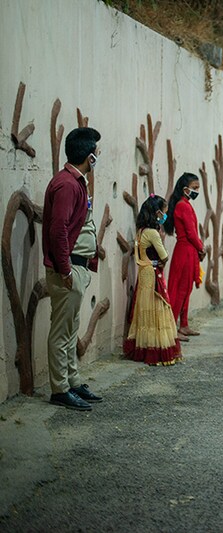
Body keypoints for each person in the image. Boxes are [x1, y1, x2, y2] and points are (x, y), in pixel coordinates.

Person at [42, 127, 104, 411]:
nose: (97, 160)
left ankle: (72, 381)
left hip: (77, 269)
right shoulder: (67, 184)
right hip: (68, 272)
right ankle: (60, 389)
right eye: (97, 155)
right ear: (89, 158)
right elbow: (57, 230)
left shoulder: (77, 182)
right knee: (61, 332)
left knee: (70, 329)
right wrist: (66, 270)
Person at [123, 195, 182, 366]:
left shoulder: (141, 231)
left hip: (143, 273)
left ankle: (144, 348)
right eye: (164, 212)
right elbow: (164, 256)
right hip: (153, 272)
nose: (165, 215)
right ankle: (157, 350)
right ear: (157, 213)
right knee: (158, 309)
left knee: (144, 309)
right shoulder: (153, 233)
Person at [165, 173, 206, 343]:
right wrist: (201, 248)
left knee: (186, 289)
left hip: (188, 251)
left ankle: (184, 324)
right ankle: (172, 327)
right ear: (185, 189)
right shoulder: (183, 206)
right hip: (185, 251)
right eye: (195, 188)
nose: (197, 191)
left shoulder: (184, 204)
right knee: (180, 290)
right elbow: (190, 233)